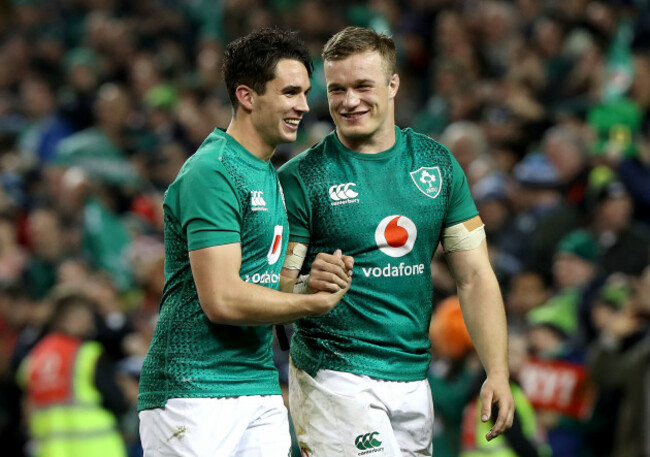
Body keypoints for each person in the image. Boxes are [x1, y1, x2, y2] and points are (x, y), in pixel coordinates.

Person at [279, 26, 514, 457]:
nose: (349, 101)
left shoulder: (437, 166)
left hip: (412, 378)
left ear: (393, 85)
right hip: (335, 377)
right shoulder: (300, 179)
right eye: (337, 89)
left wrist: (497, 371)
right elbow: (272, 289)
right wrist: (306, 284)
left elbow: (475, 277)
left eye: (362, 86)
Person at [137, 28, 352, 457]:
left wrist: (310, 282)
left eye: (306, 92)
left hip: (257, 385)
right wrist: (311, 304)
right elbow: (224, 300)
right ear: (247, 96)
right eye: (290, 92)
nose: (303, 106)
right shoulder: (212, 172)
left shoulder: (265, 171)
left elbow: (259, 280)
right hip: (191, 391)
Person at [17, 291, 128, 457]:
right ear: (69, 320)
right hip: (96, 448)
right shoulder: (87, 354)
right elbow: (118, 401)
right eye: (86, 318)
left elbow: (27, 410)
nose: (90, 325)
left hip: (51, 451)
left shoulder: (32, 359)